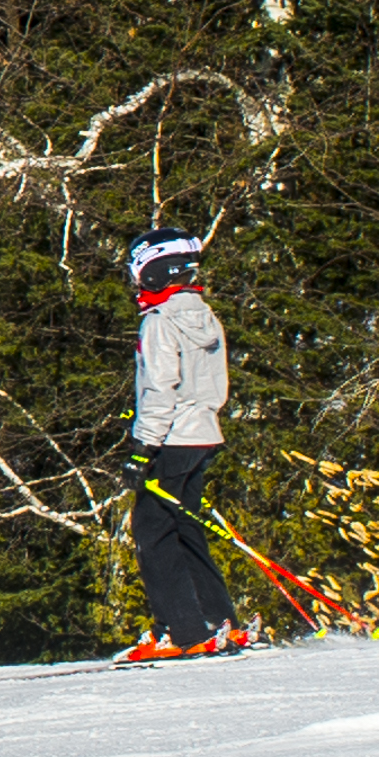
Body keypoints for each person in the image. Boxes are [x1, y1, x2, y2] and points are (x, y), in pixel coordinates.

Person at [126, 229, 244, 663]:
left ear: (156, 272)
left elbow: (160, 389)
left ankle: (182, 630)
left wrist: (143, 447)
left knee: (153, 533)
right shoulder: (205, 317)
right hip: (203, 435)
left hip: (172, 439)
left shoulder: (158, 322)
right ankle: (216, 620)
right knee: (186, 526)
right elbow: (205, 384)